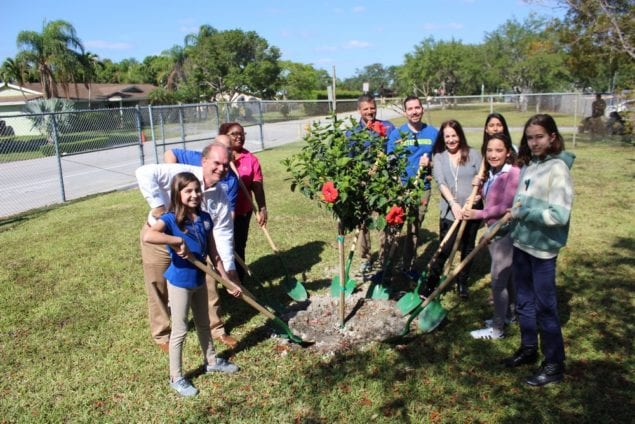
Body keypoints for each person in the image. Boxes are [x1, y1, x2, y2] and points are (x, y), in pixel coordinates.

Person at [136, 143, 242, 351]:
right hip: (159, 238)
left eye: (225, 165)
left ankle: (216, 328)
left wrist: (228, 272)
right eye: (216, 163)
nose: (221, 169)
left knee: (210, 282)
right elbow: (143, 172)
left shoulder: (221, 196)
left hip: (196, 244)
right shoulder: (181, 174)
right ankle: (162, 335)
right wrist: (157, 205)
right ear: (204, 162)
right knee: (158, 284)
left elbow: (223, 234)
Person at [143, 172, 240, 397]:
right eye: (188, 191)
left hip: (200, 278)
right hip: (180, 282)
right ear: (178, 194)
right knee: (180, 330)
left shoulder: (205, 218)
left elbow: (214, 254)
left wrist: (225, 280)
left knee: (204, 322)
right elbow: (149, 236)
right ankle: (176, 377)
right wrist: (175, 240)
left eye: (197, 190)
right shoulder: (169, 220)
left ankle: (212, 360)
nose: (194, 195)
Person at [503, 114, 574, 387]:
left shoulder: (557, 169)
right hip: (522, 245)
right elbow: (521, 206)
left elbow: (559, 215)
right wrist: (512, 223)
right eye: (530, 137)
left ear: (552, 138)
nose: (534, 142)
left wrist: (524, 213)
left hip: (542, 252)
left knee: (546, 308)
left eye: (539, 137)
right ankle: (529, 348)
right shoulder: (530, 166)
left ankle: (554, 364)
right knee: (524, 302)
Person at [463, 132, 520, 339]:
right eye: (489, 150)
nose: (493, 154)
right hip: (494, 231)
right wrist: (480, 192)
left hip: (505, 232)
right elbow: (493, 198)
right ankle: (510, 315)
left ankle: (497, 330)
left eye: (499, 150)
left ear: (508, 152)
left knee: (498, 281)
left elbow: (506, 206)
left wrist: (479, 214)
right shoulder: (493, 172)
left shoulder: (513, 173)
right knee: (509, 278)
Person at [427, 120, 483, 298]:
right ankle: (431, 284)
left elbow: (482, 179)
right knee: (444, 247)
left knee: (467, 247)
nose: (451, 140)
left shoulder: (473, 154)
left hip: (471, 209)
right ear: (443, 139)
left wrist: (478, 195)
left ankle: (462, 282)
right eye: (447, 136)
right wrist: (453, 203)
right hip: (450, 210)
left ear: (460, 135)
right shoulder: (439, 157)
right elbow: (441, 183)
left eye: (454, 135)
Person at [385, 95, 437, 274]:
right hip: (401, 187)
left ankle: (408, 266)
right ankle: (388, 265)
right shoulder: (397, 134)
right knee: (394, 226)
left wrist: (429, 164)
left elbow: (441, 160)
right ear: (405, 112)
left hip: (422, 188)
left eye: (417, 107)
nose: (415, 111)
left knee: (414, 228)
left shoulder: (433, 134)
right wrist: (396, 182)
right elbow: (390, 160)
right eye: (410, 109)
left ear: (422, 109)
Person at [346, 94, 396, 273]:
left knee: (384, 221)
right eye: (365, 109)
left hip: (383, 184)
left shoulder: (388, 127)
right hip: (362, 184)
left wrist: (383, 162)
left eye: (372, 108)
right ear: (359, 110)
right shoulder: (352, 133)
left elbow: (394, 151)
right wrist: (357, 178)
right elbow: (349, 159)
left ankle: (384, 257)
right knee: (363, 223)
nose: (369, 111)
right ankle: (365, 257)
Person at [218, 122, 267, 281]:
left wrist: (262, 208)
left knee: (238, 246)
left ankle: (238, 280)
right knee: (219, 247)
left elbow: (257, 186)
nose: (239, 137)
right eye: (234, 134)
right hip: (219, 213)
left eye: (242, 134)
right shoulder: (217, 157)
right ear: (225, 136)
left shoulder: (251, 159)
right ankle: (221, 279)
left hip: (242, 213)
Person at [164, 135, 239, 214]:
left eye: (229, 149)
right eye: (221, 147)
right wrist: (177, 181)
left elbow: (230, 212)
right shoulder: (198, 158)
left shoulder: (232, 179)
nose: (225, 151)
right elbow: (170, 153)